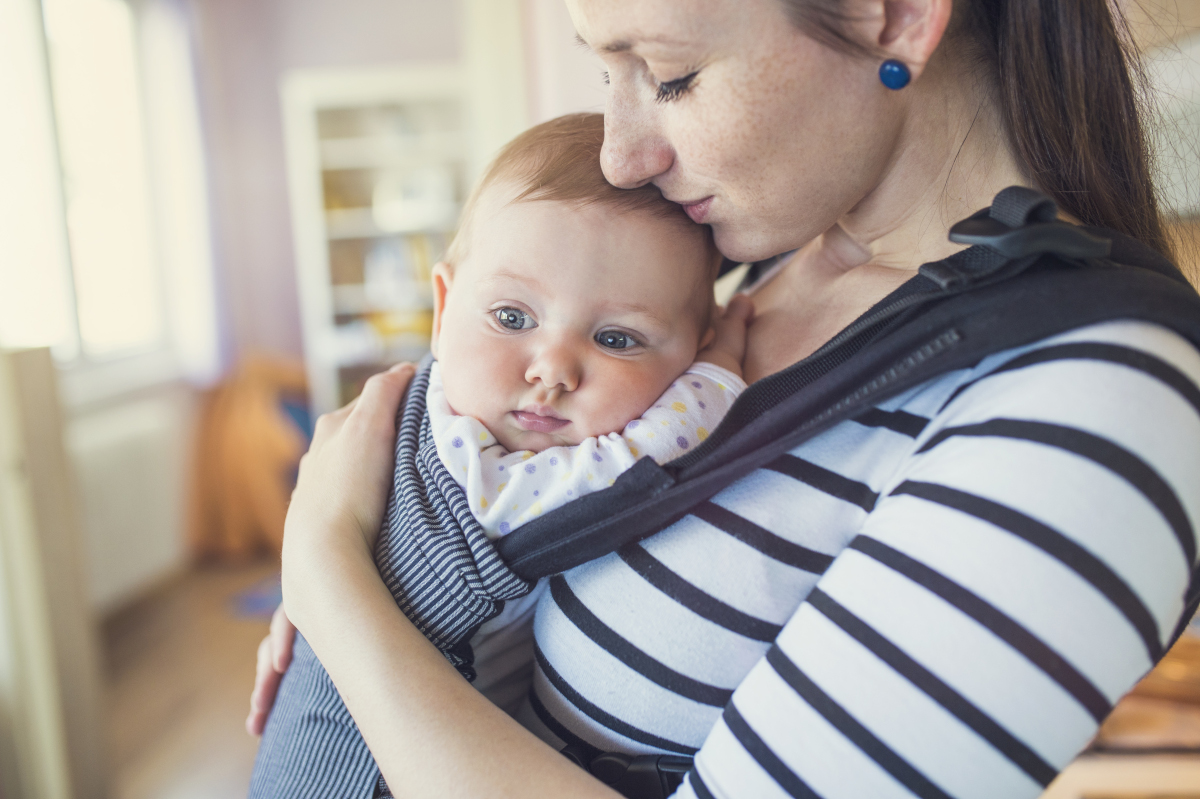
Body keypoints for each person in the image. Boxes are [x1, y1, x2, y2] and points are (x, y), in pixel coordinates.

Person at [249, 0, 1200, 796]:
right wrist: (394, 557)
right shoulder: (766, 268)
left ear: (901, 17)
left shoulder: (1098, 399)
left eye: (669, 77)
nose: (622, 155)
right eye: (604, 74)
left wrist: (332, 581)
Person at [248, 113, 750, 798]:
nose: (552, 370)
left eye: (617, 339)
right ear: (443, 305)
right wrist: (717, 375)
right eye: (513, 318)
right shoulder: (465, 460)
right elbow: (625, 475)